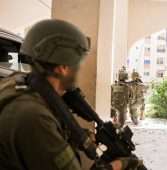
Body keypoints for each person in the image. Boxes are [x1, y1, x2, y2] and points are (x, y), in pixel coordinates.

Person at [0, 19, 136, 170]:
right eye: (77, 63)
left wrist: (75, 136)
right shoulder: (34, 116)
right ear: (63, 67)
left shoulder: (18, 83)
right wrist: (121, 164)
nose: (79, 69)